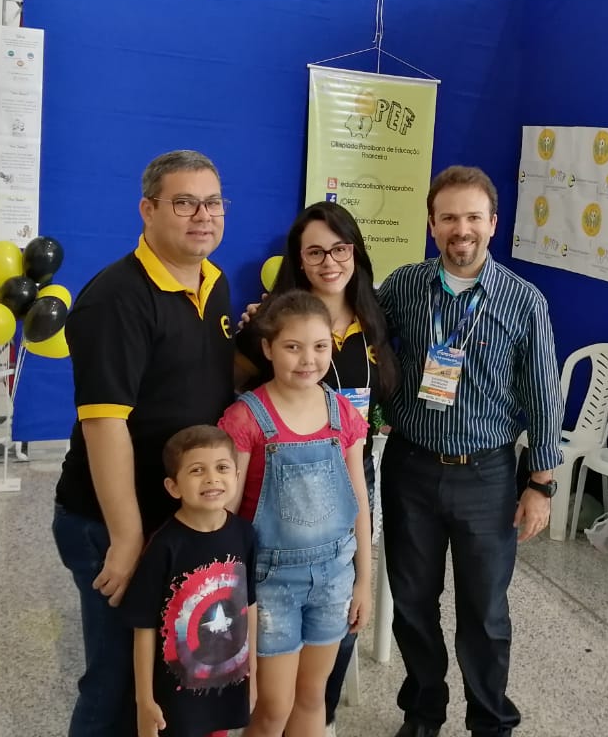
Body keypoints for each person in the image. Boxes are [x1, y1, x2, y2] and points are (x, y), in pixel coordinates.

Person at [53, 150, 237, 737]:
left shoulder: (214, 281)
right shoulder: (115, 300)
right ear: (148, 209)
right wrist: (128, 537)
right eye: (184, 202)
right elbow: (104, 425)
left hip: (172, 516)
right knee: (113, 684)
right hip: (109, 520)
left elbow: (209, 376)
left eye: (212, 202)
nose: (201, 216)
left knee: (161, 680)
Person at [378, 165, 563, 737]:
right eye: (450, 217)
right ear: (432, 224)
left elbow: (543, 396)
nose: (463, 229)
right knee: (412, 602)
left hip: (487, 477)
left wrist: (541, 486)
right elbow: (360, 343)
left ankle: (491, 721)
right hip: (409, 466)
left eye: (474, 217)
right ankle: (423, 711)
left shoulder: (523, 301)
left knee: (484, 613)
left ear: (493, 223)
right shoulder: (404, 286)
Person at [236, 201, 398, 734]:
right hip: (274, 529)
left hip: (347, 485)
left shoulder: (375, 317)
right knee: (272, 703)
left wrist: (363, 581)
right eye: (315, 251)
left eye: (340, 248)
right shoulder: (272, 320)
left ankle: (322, 719)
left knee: (318, 678)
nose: (330, 260)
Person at [219, 291, 373, 737]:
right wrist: (234, 596)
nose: (308, 359)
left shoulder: (341, 412)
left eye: (320, 347)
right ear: (268, 348)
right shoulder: (246, 418)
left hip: (334, 579)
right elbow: (226, 516)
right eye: (293, 347)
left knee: (311, 699)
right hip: (268, 586)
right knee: (273, 707)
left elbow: (359, 503)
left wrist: (363, 580)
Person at [124, 425, 257, 737]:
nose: (212, 479)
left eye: (222, 468)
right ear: (173, 487)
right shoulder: (164, 546)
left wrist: (255, 678)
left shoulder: (245, 534)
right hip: (178, 699)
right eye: (197, 470)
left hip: (227, 686)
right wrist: (144, 700)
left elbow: (249, 607)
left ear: (236, 476)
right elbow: (144, 628)